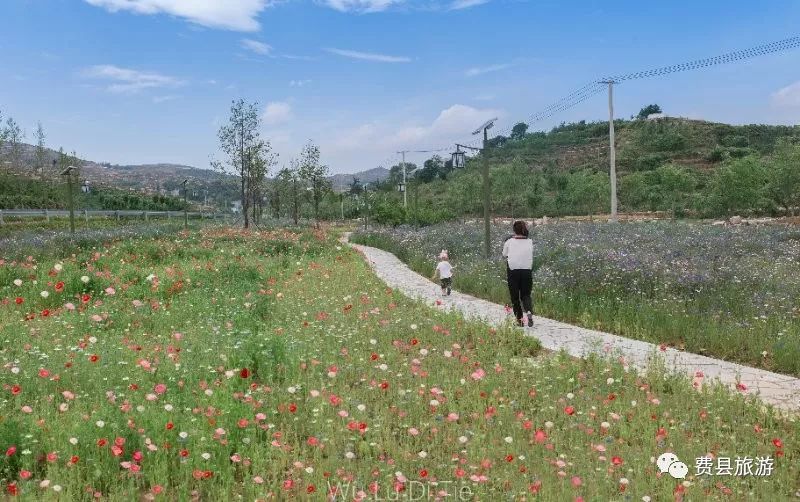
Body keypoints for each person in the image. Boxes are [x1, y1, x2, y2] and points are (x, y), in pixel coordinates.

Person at [502, 221, 534, 327]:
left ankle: (520, 321)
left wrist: (509, 240)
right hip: (526, 271)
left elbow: (504, 254)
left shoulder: (509, 242)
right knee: (526, 295)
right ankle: (529, 311)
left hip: (513, 271)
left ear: (514, 230)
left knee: (515, 297)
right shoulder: (530, 241)